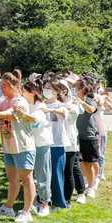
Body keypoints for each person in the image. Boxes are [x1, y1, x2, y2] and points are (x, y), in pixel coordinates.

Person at [0, 73, 37, 223]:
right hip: (8, 147)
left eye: (5, 86)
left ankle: (27, 211)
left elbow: (11, 114)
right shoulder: (2, 99)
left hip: (23, 146)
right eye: (1, 86)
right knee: (12, 179)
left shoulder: (20, 101)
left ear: (14, 86)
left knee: (27, 179)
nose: (2, 89)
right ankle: (8, 207)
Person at [23, 80, 53, 216]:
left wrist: (21, 115)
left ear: (33, 92)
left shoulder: (41, 106)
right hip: (29, 145)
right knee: (31, 176)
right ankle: (33, 201)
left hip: (41, 144)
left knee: (42, 174)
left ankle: (45, 203)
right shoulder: (25, 105)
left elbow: (35, 119)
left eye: (24, 91)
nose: (22, 93)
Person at [43, 79, 70, 210]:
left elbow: (64, 113)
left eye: (50, 88)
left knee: (56, 174)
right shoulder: (41, 104)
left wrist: (49, 110)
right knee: (43, 175)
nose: (46, 90)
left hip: (57, 144)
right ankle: (43, 201)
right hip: (43, 144)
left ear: (56, 91)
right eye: (45, 87)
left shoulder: (61, 105)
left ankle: (59, 202)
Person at [62, 79, 86, 204]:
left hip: (70, 142)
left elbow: (79, 110)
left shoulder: (73, 104)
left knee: (71, 169)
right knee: (69, 169)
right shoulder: (57, 102)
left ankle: (76, 194)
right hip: (58, 141)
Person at [76, 79, 100, 199]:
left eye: (77, 88)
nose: (75, 89)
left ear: (83, 89)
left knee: (89, 163)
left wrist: (81, 102)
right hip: (77, 136)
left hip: (89, 136)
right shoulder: (74, 100)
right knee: (81, 163)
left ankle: (91, 187)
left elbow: (91, 110)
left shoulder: (90, 100)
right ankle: (86, 183)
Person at [94, 83, 112, 182]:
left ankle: (101, 173)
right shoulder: (91, 97)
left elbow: (110, 108)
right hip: (92, 130)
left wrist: (105, 99)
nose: (99, 91)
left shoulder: (102, 98)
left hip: (101, 130)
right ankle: (94, 173)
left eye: (100, 89)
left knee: (101, 153)